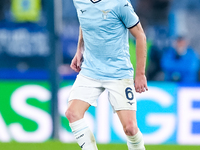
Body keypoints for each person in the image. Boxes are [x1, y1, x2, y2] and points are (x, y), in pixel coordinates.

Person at [65, 0, 148, 150]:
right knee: (72, 113)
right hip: (90, 70)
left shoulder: (120, 4)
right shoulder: (79, 1)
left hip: (118, 72)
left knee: (130, 128)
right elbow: (84, 22)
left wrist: (140, 74)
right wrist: (79, 50)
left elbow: (140, 35)